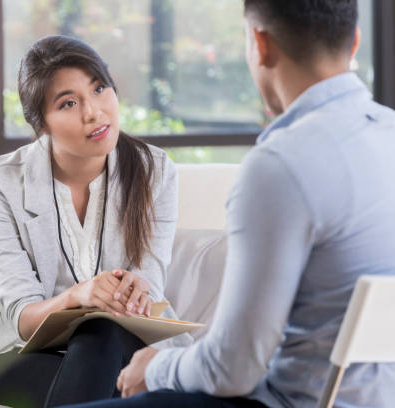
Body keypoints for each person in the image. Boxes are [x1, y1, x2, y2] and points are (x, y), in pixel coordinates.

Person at [64, 0, 395, 407]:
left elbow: (234, 368)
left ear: (260, 43)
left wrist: (155, 367)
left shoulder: (280, 165)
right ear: (355, 41)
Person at [0, 35, 191, 408]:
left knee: (105, 329)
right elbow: (21, 318)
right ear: (40, 123)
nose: (94, 112)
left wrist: (134, 293)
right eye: (68, 103)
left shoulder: (155, 171)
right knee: (110, 373)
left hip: (121, 348)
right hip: (22, 356)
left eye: (99, 89)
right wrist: (77, 296)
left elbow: (150, 287)